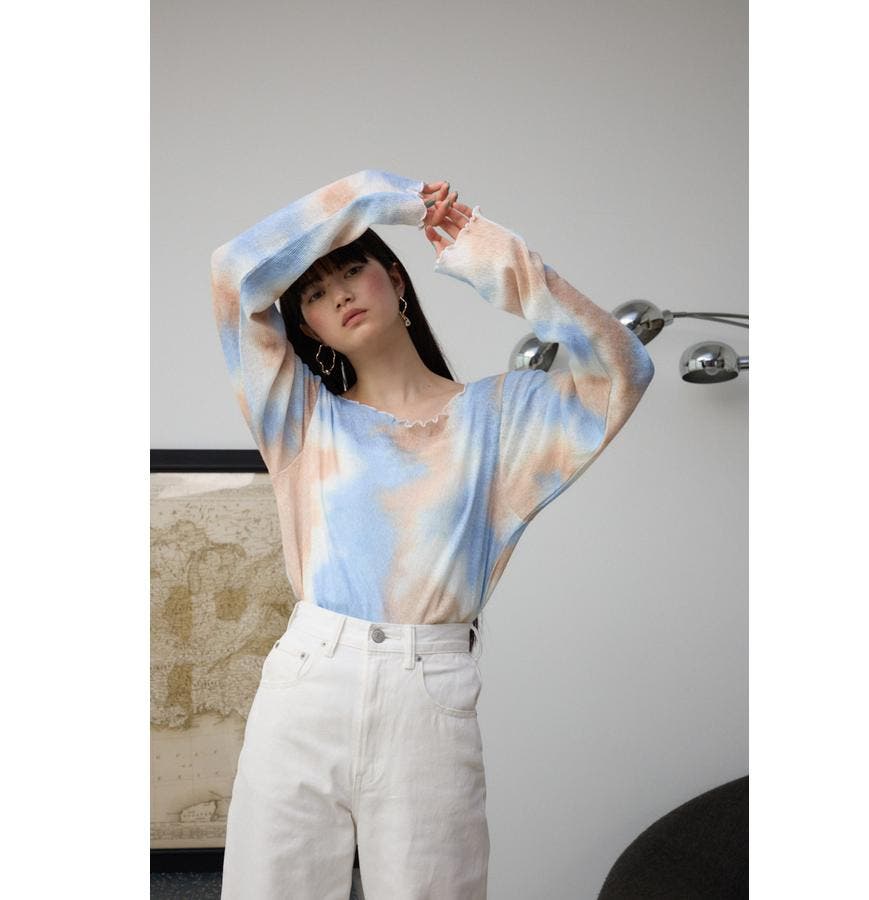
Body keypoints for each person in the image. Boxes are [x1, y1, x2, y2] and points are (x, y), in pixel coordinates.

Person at [209, 168, 655, 899]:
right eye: (314, 294)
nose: (339, 295)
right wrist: (384, 197)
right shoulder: (301, 418)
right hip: (307, 687)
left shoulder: (504, 419)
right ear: (308, 328)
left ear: (395, 279)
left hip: (428, 698)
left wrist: (482, 249)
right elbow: (233, 273)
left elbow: (622, 368)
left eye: (351, 271)